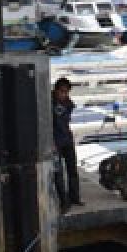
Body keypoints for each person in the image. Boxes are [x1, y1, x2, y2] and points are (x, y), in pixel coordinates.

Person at [51, 77, 82, 211]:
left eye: (66, 92)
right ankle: (64, 201)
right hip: (55, 142)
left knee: (72, 170)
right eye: (62, 92)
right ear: (56, 90)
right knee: (58, 173)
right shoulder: (49, 102)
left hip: (67, 139)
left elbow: (65, 120)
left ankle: (74, 197)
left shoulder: (69, 104)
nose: (64, 95)